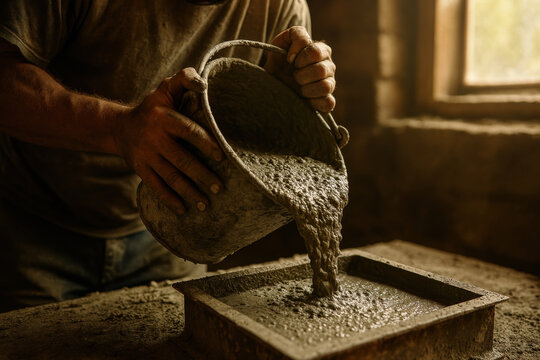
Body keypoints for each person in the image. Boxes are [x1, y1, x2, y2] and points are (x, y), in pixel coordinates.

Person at [0, 0, 337, 312]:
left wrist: (283, 97)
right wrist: (118, 128)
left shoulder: (280, 6)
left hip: (173, 227)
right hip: (32, 232)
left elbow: (263, 128)